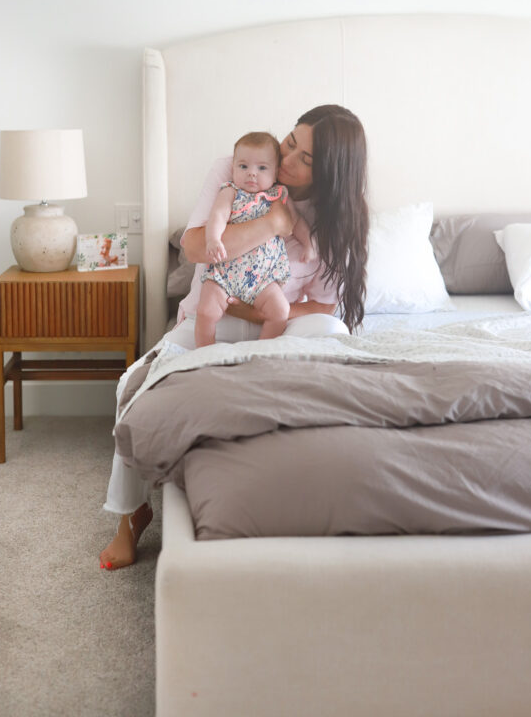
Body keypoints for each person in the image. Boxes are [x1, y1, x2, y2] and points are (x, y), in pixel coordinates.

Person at [99, 104, 369, 570]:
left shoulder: (336, 216)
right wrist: (272, 224)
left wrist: (268, 313)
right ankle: (130, 514)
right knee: (136, 384)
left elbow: (323, 306)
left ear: (329, 174)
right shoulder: (239, 167)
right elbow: (195, 247)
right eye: (290, 142)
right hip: (213, 310)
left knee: (332, 330)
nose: (286, 160)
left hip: (279, 321)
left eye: (305, 158)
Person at [196, 130, 315, 346]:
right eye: (243, 166)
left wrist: (308, 244)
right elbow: (218, 215)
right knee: (205, 312)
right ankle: (204, 353)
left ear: (275, 173)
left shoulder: (279, 195)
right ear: (233, 168)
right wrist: (213, 239)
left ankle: (261, 351)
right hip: (225, 274)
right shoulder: (230, 191)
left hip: (263, 279)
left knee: (280, 311)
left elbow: (296, 222)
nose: (251, 173)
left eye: (261, 168)